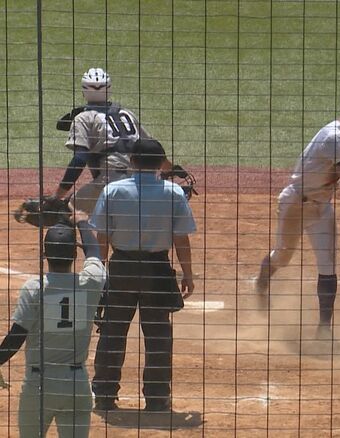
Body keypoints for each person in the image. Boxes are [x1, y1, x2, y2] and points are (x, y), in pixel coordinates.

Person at [254, 91, 340, 339]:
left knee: (328, 266)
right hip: (296, 205)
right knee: (282, 257)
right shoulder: (333, 138)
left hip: (321, 207)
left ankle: (324, 331)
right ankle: (261, 284)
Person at [89, 138, 196, 412]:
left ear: (131, 161)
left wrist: (99, 268)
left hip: (122, 267)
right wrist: (188, 273)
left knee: (112, 332)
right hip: (157, 270)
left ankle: (104, 394)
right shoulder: (173, 192)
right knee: (158, 335)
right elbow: (181, 239)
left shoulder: (113, 191)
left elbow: (102, 236)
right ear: (161, 163)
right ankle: (157, 398)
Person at [0, 209, 106, 437]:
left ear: (44, 255)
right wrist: (82, 222)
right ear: (74, 256)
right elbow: (95, 251)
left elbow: (16, 337)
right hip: (76, 384)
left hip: (39, 384)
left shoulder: (34, 288)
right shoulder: (91, 283)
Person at [52, 67, 172, 214]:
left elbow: (79, 159)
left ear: (84, 91)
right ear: (109, 89)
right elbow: (153, 148)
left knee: (65, 212)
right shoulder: (126, 114)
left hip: (110, 182)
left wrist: (57, 196)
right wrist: (170, 169)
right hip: (140, 182)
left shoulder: (83, 118)